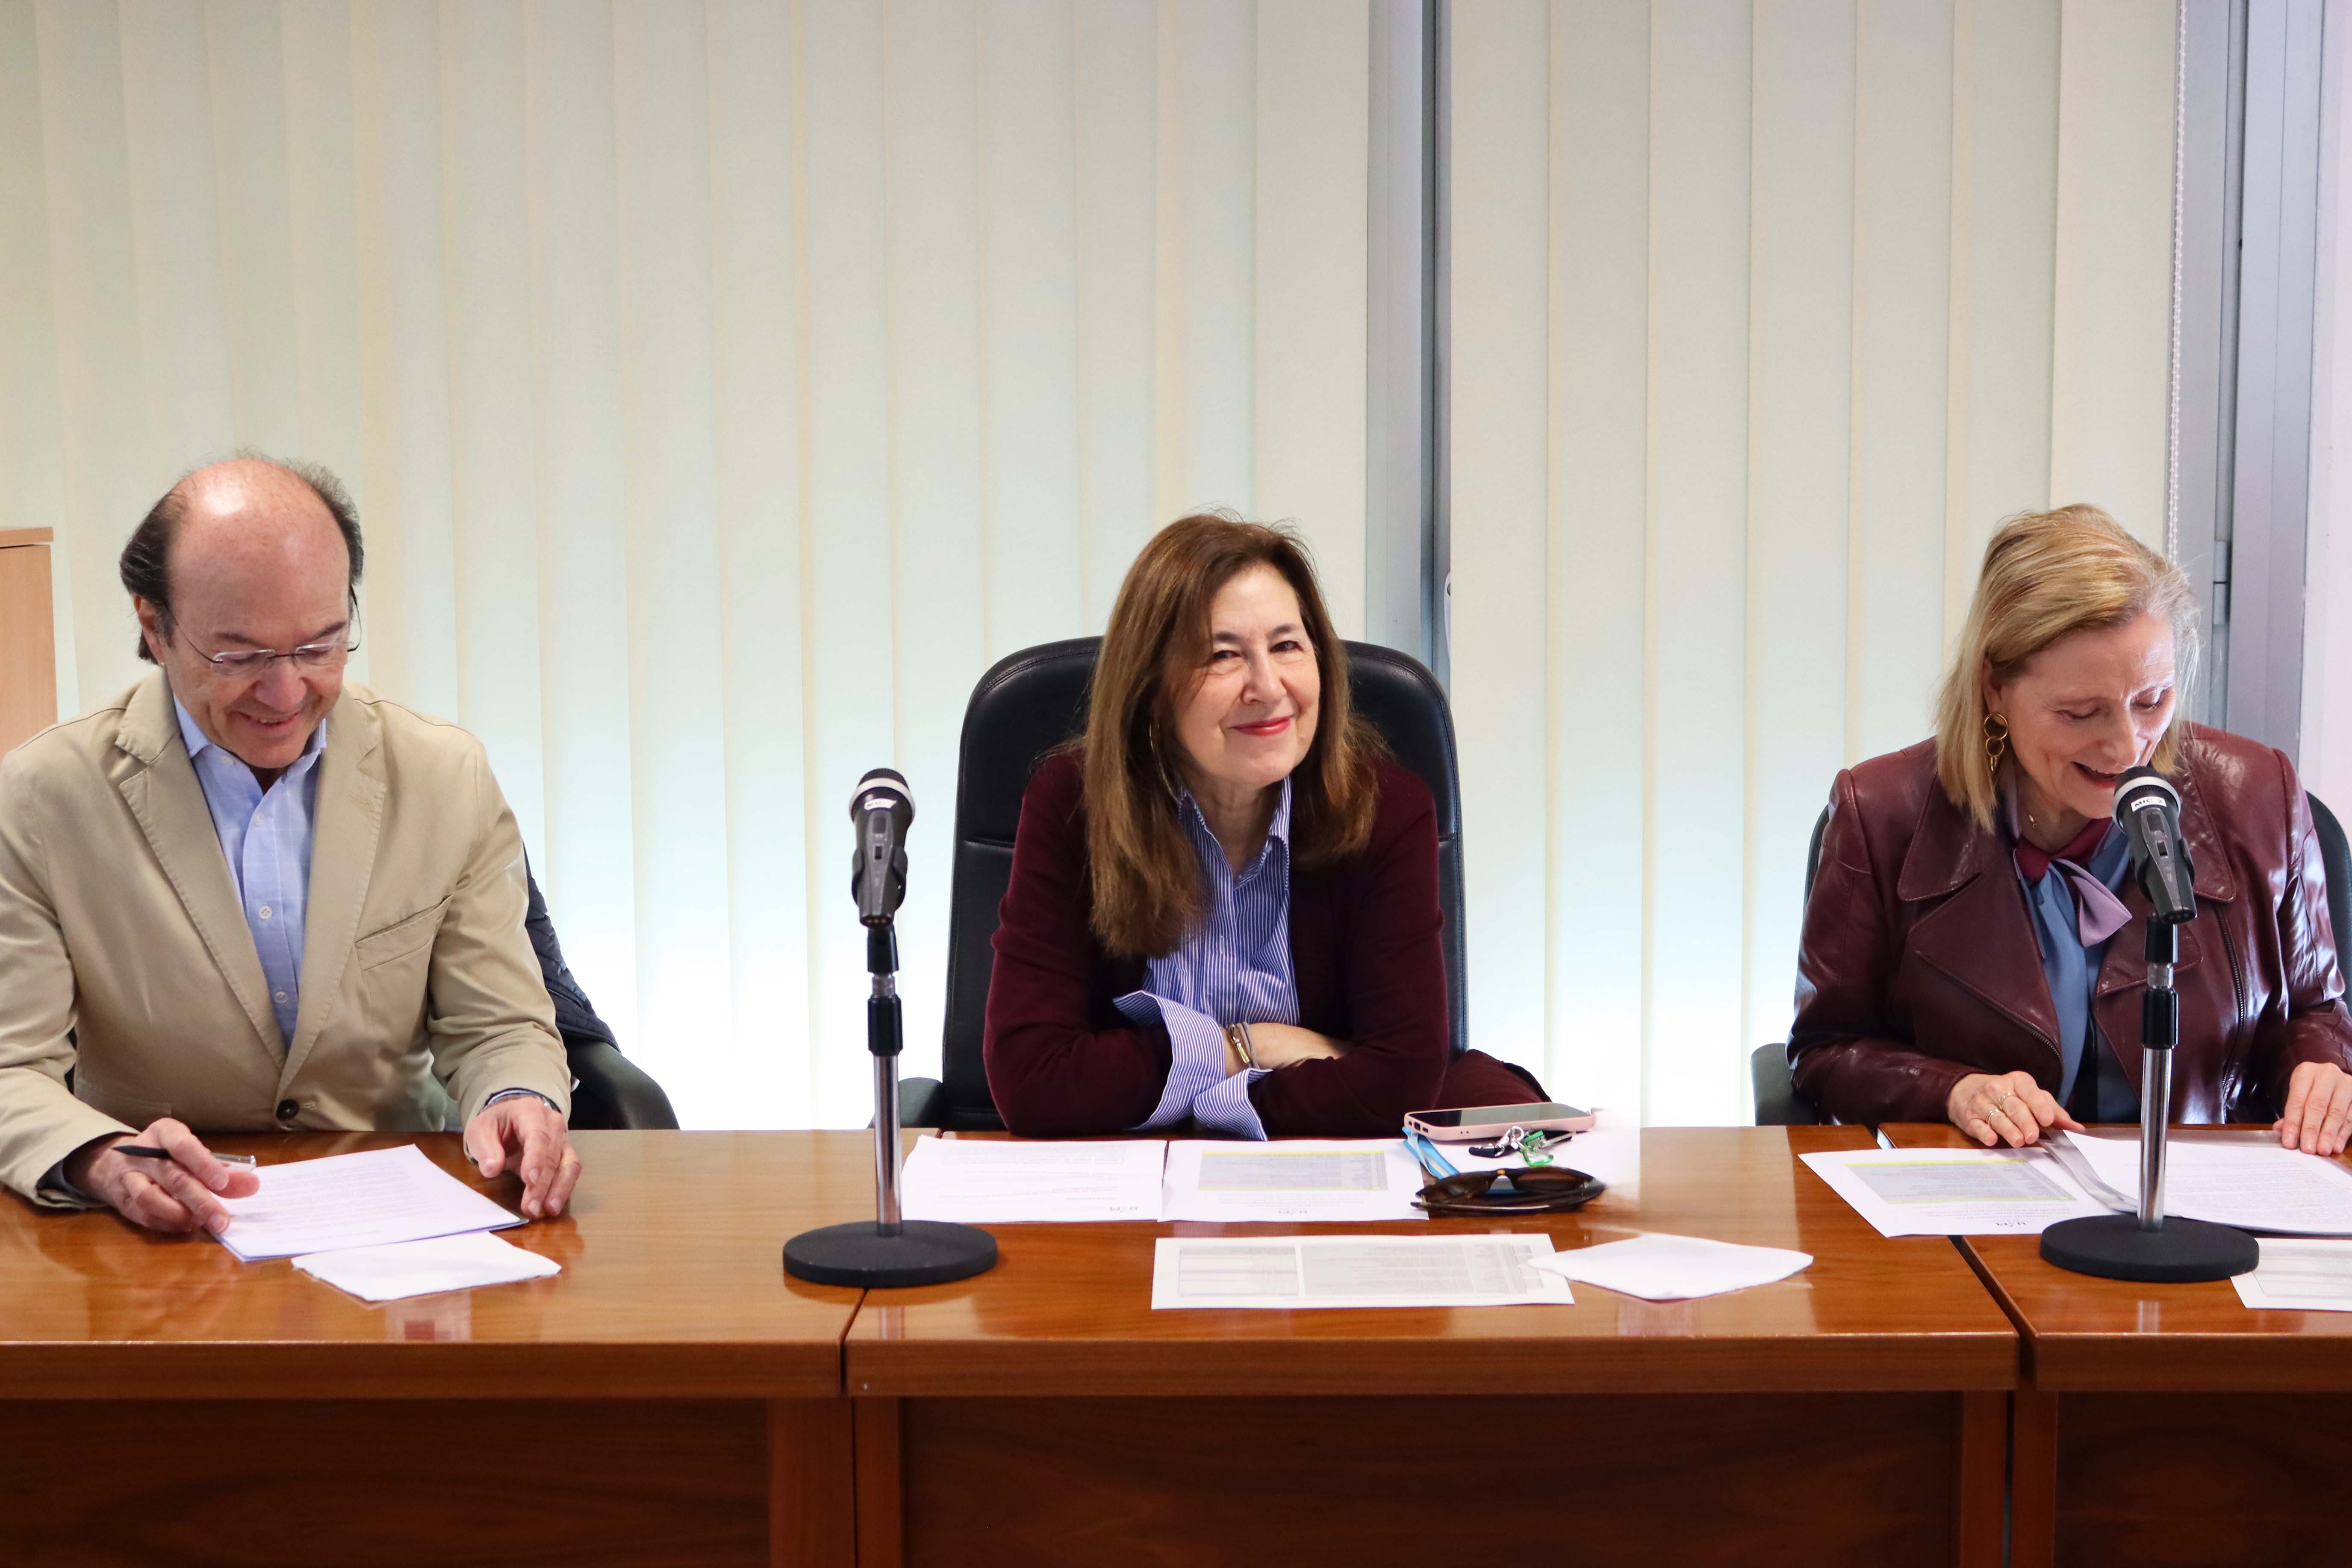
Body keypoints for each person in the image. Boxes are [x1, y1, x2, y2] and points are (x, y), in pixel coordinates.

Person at [0, 457, 581, 1230]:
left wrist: (518, 1099)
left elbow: (497, 1025)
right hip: (168, 1229)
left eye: (320, 647)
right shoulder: (44, 796)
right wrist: (101, 1156)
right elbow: (11, 1067)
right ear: (154, 625)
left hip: (404, 1209)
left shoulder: (445, 774)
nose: (284, 693)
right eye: (239, 656)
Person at [1790, 504, 2352, 1152]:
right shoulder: (1879, 810)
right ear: (1993, 688)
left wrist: (2322, 1071)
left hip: (2200, 1201)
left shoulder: (2259, 795)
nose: (2125, 747)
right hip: (1980, 1205)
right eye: (2080, 712)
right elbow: (1824, 1052)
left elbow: (2317, 1014)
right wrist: (1951, 1089)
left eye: (2152, 701)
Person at [984, 513, 1545, 1138]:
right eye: (1223, 655)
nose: (1268, 686)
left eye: (1286, 646)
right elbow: (1033, 1083)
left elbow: (1400, 1080)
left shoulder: (1385, 810)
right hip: (1121, 1199)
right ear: (1150, 686)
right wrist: (1246, 1049)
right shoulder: (1075, 805)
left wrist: (1176, 1092)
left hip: (1321, 1191)